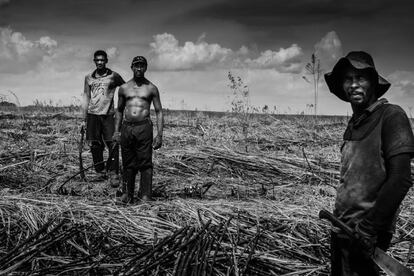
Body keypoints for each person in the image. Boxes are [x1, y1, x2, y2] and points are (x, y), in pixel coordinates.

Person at [324, 51, 414, 275]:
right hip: (342, 228)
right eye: (348, 79)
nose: (354, 85)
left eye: (360, 78)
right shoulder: (354, 123)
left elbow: (401, 178)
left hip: (367, 235)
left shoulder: (391, 116)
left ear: (373, 82)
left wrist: (368, 228)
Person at [113, 56, 164, 203]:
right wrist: (116, 131)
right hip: (127, 127)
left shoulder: (151, 88)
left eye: (142, 65)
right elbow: (119, 110)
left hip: (144, 127)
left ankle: (145, 195)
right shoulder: (123, 88)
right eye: (136, 66)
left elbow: (159, 111)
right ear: (132, 67)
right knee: (128, 163)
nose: (139, 68)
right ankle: (126, 194)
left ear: (146, 68)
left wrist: (159, 135)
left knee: (145, 163)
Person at [82, 50, 125, 184]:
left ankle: (113, 173)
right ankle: (100, 170)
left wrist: (120, 105)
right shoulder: (88, 77)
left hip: (108, 115)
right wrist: (84, 119)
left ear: (106, 61)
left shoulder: (113, 76)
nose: (100, 62)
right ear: (94, 61)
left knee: (112, 143)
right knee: (95, 144)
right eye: (97, 60)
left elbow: (125, 88)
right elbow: (86, 96)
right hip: (92, 114)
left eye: (102, 60)